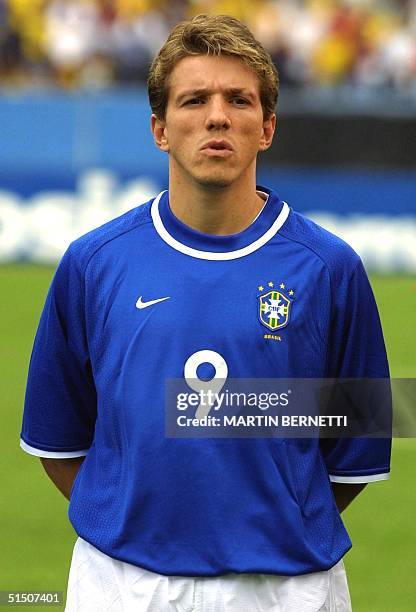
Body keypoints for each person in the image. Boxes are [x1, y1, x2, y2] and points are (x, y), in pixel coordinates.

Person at [20, 14, 391, 612]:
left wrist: (271, 524)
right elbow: (59, 442)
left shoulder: (332, 268)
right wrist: (139, 529)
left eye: (238, 100)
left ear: (267, 127)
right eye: (194, 99)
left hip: (284, 587)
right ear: (159, 128)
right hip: (124, 583)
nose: (217, 116)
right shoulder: (92, 263)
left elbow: (355, 451)